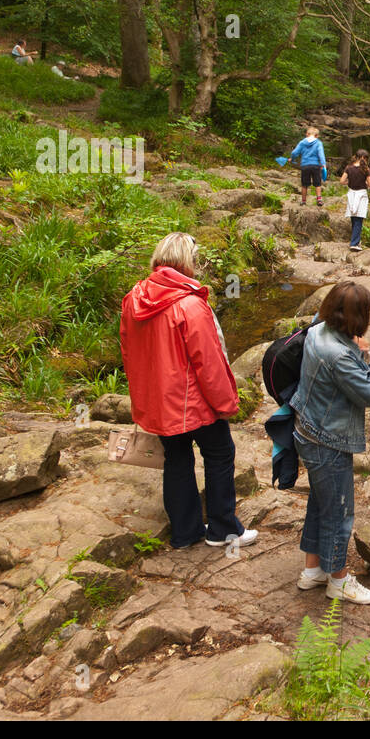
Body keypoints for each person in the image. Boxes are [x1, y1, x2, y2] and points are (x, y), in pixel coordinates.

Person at [119, 232, 256, 550]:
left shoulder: (133, 299)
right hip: (194, 403)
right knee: (220, 454)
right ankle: (223, 529)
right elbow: (209, 363)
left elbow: (129, 353)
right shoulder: (190, 305)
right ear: (184, 261)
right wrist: (225, 403)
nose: (198, 264)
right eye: (195, 259)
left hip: (158, 402)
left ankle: (185, 532)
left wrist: (141, 400)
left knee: (176, 460)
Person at [291, 280, 370, 603]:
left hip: (306, 428)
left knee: (320, 501)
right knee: (339, 511)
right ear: (356, 318)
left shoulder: (316, 331)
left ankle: (313, 571)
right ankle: (338, 580)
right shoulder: (339, 356)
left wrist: (357, 348)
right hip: (329, 439)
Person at [340, 149, 370, 251]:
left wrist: (349, 182)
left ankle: (356, 241)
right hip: (361, 195)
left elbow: (342, 181)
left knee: (354, 218)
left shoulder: (349, 168)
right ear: (365, 158)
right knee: (359, 218)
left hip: (351, 194)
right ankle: (354, 243)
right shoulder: (365, 169)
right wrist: (366, 184)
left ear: (356, 156)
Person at [288, 126, 328, 206]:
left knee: (304, 184)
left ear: (307, 134)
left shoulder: (302, 142)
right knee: (318, 183)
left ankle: (303, 201)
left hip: (305, 165)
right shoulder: (318, 143)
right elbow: (321, 154)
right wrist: (323, 164)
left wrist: (292, 159)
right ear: (316, 136)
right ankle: (319, 199)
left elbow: (294, 152)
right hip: (316, 165)